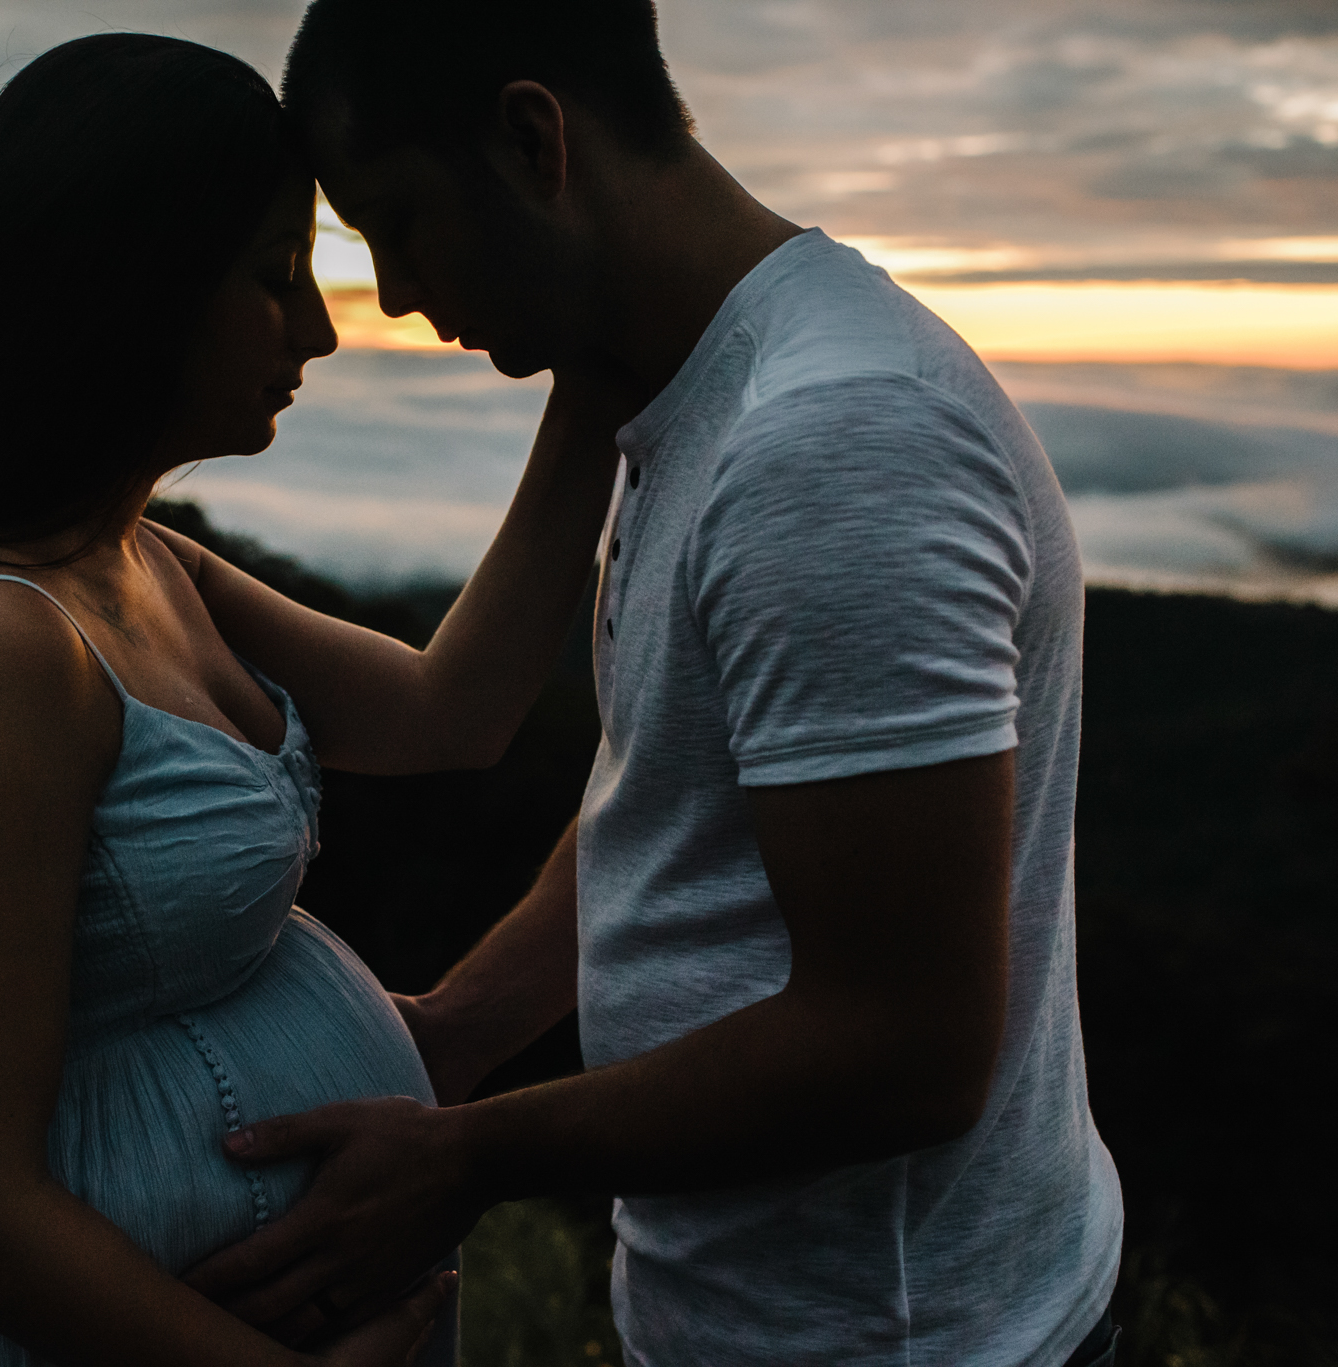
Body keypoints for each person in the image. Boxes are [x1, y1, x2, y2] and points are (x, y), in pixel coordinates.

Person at [177, 3, 1126, 1364]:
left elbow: (907, 1044)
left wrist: (464, 1159)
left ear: (530, 138)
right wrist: (459, 1032)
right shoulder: (694, 394)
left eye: (392, 219)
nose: (385, 292)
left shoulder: (835, 445)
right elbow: (681, 806)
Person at [0, 34, 627, 1367]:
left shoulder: (139, 558)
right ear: (128, 289)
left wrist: (592, 383)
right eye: (276, 276)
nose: (322, 329)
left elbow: (454, 712)